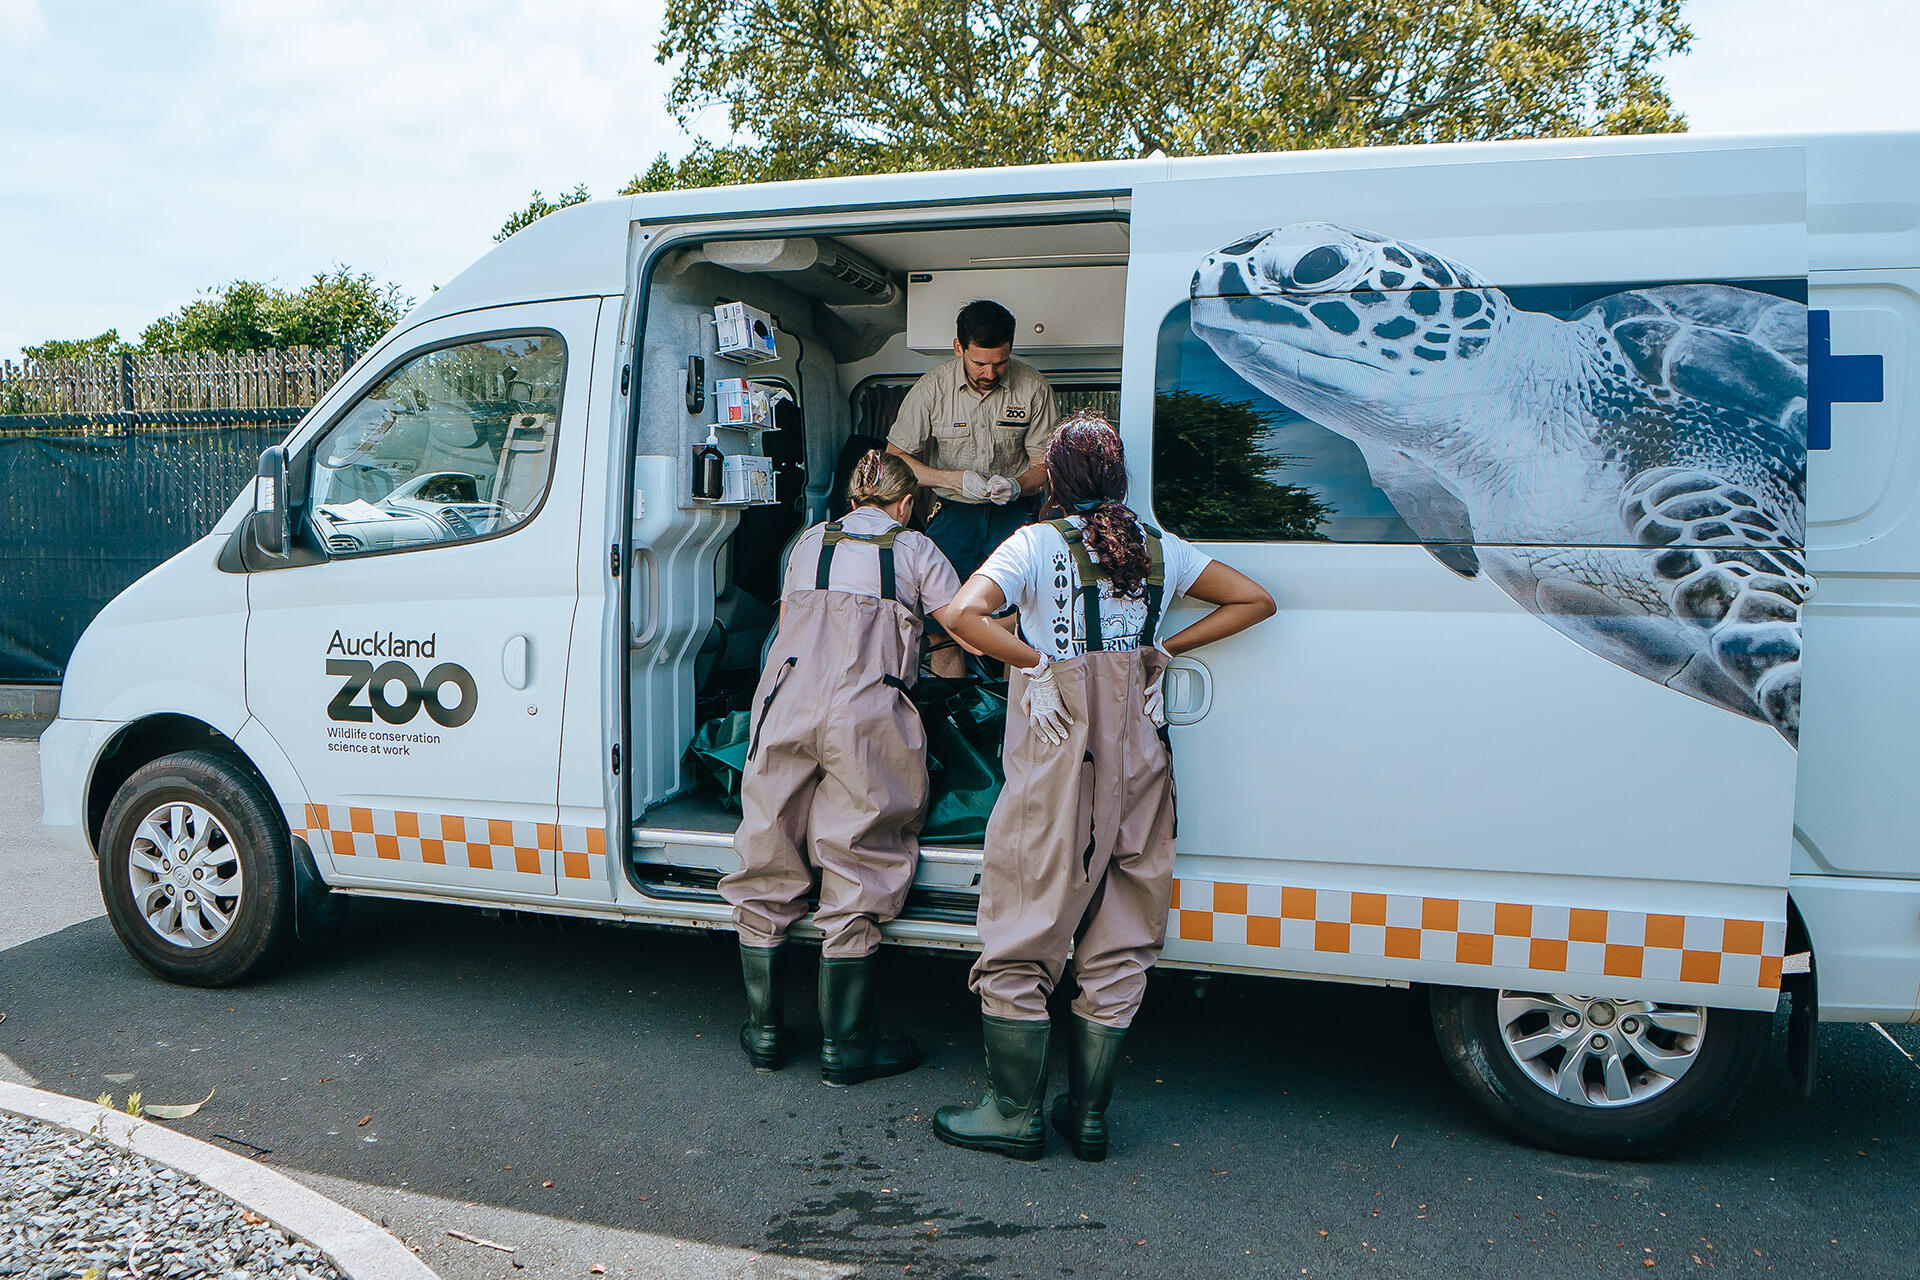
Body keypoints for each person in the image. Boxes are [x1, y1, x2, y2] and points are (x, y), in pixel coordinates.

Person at [931, 411, 1276, 1161]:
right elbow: (1256, 600)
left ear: (1053, 479)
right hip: (1142, 762)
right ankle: (1087, 1115)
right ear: (1118, 478)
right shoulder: (1158, 549)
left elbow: (961, 616)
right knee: (1124, 929)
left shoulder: (1034, 543)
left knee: (1025, 918)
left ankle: (1012, 1112)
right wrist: (1161, 649)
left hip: (1060, 761)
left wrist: (1034, 662)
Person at [718, 451, 961, 1086]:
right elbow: (961, 622)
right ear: (906, 506)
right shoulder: (913, 550)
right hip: (868, 709)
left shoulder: (805, 543)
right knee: (859, 855)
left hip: (787, 699)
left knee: (767, 842)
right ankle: (846, 1046)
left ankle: (765, 1031)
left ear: (854, 499)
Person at [887, 299, 1058, 581]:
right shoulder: (932, 389)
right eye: (979, 363)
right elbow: (895, 460)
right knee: (941, 603)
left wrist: (1016, 486)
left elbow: (1045, 465)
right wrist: (954, 479)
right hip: (953, 513)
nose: (989, 374)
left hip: (1014, 513)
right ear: (959, 348)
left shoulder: (1033, 387)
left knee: (1018, 600)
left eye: (1000, 363)